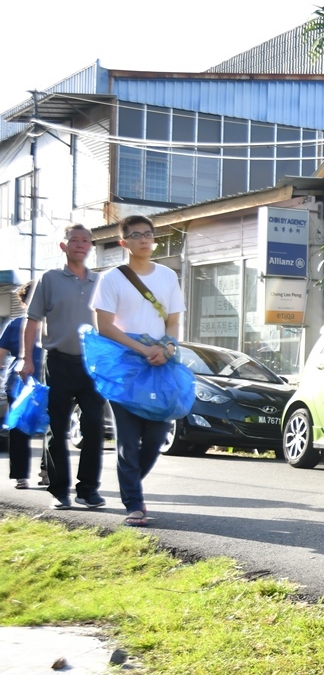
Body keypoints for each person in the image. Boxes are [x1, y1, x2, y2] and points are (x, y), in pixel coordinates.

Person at [92, 215, 185, 527]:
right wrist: (143, 350)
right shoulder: (111, 279)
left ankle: (131, 484)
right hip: (124, 366)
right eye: (136, 235)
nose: (144, 240)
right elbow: (104, 326)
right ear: (124, 242)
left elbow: (173, 321)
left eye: (148, 234)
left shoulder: (168, 276)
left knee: (157, 436)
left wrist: (167, 347)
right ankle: (133, 502)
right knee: (128, 440)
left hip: (161, 363)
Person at [21, 225, 106, 510]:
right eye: (74, 240)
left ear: (91, 246)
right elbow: (32, 320)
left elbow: (112, 324)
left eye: (85, 240)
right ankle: (59, 491)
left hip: (92, 367)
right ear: (63, 246)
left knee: (94, 426)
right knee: (57, 428)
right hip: (58, 362)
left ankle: (88, 490)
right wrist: (26, 358)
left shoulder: (100, 282)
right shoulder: (49, 279)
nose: (80, 244)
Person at [0, 282, 43, 489]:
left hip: (21, 381)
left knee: (19, 428)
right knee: (51, 427)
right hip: (41, 381)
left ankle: (22, 476)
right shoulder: (50, 323)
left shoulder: (16, 323)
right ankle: (46, 472)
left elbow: (0, 356)